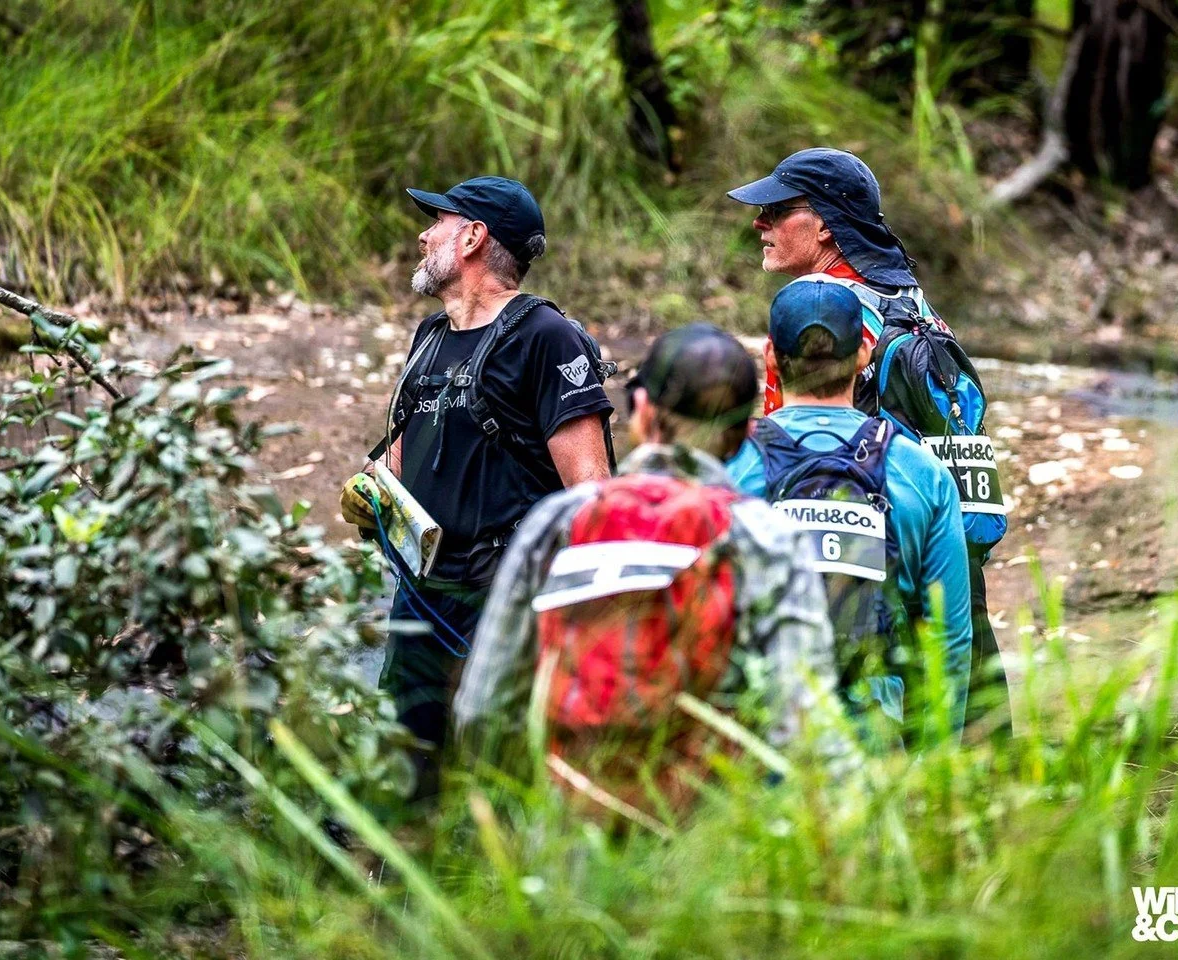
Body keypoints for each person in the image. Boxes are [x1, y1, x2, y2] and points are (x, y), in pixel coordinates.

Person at [454, 324, 844, 814]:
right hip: (706, 833)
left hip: (567, 828)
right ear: (745, 434)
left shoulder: (557, 522)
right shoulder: (764, 537)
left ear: (641, 411)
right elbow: (806, 725)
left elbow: (482, 709)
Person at [727, 147, 1011, 731]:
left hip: (864, 569)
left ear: (825, 225)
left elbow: (787, 445)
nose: (760, 223)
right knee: (968, 735)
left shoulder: (822, 313)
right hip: (942, 545)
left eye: (777, 211)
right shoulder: (914, 303)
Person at [339, 176, 614, 775]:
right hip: (424, 589)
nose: (422, 236)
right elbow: (414, 442)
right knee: (407, 760)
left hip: (507, 596)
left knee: (498, 766)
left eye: (436, 223)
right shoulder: (431, 335)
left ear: (472, 238)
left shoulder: (546, 338)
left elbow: (592, 497)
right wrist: (373, 488)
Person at [726, 278, 973, 735]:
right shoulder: (924, 473)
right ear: (863, 353)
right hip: (876, 742)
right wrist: (935, 759)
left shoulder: (729, 468)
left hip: (758, 741)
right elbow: (949, 638)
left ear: (770, 357)